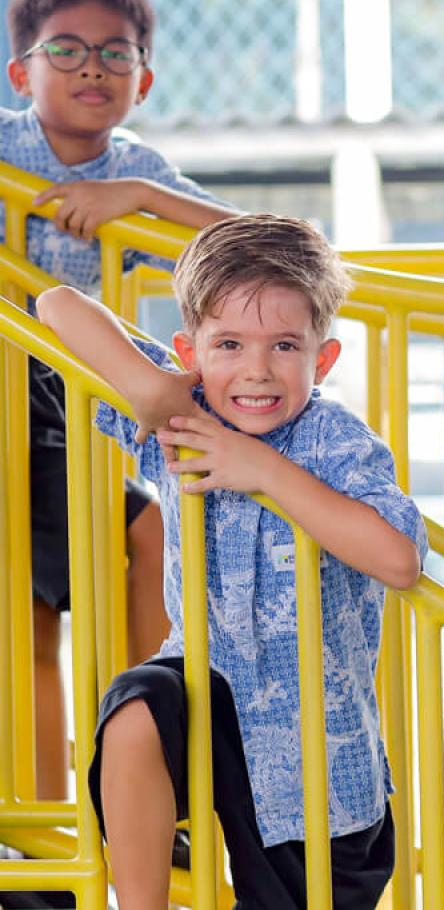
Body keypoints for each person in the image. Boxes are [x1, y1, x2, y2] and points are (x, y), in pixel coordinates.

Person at [36, 214, 428, 910]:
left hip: (315, 751)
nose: (255, 370)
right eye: (228, 344)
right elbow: (57, 305)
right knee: (132, 715)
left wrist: (263, 469)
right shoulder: (183, 411)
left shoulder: (337, 441)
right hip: (206, 689)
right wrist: (146, 383)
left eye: (284, 345)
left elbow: (399, 561)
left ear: (323, 359)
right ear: (192, 350)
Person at [5, 0, 239, 803]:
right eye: (64, 49)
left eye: (116, 51)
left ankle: (140, 784)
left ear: (143, 78)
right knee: (37, 608)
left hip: (74, 401)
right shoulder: (5, 146)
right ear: (19, 72)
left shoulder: (131, 165)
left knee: (145, 535)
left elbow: (252, 239)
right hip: (20, 388)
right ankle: (68, 818)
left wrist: (140, 198)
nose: (91, 67)